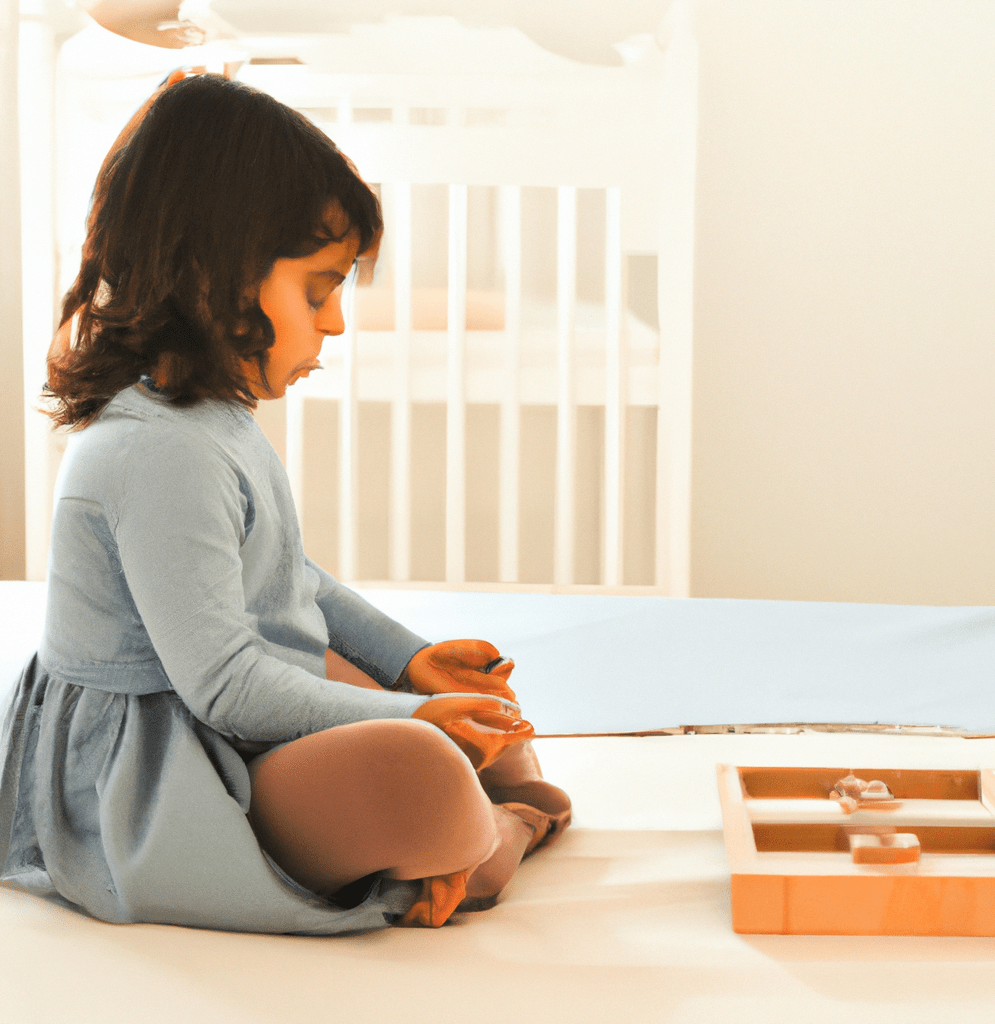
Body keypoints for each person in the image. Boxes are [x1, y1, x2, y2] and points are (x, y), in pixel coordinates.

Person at [0, 71, 570, 934]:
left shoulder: (208, 420)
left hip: (234, 716)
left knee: (484, 717)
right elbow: (225, 686)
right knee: (423, 771)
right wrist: (412, 716)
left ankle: (472, 817)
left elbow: (291, 578)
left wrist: (414, 664)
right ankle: (490, 834)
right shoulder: (153, 454)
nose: (336, 323)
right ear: (213, 276)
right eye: (318, 289)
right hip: (170, 770)